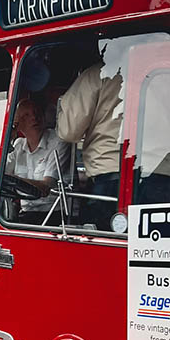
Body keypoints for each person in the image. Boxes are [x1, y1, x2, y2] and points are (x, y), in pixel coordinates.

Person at [56, 60, 124, 230]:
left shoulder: (100, 73)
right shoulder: (169, 69)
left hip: (109, 177)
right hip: (163, 175)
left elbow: (69, 130)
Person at [5, 98, 71, 224]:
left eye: (36, 112)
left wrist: (13, 179)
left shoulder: (58, 142)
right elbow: (1, 175)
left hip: (56, 214)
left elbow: (46, 186)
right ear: (17, 123)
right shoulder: (18, 145)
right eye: (27, 115)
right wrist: (10, 136)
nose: (34, 117)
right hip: (26, 213)